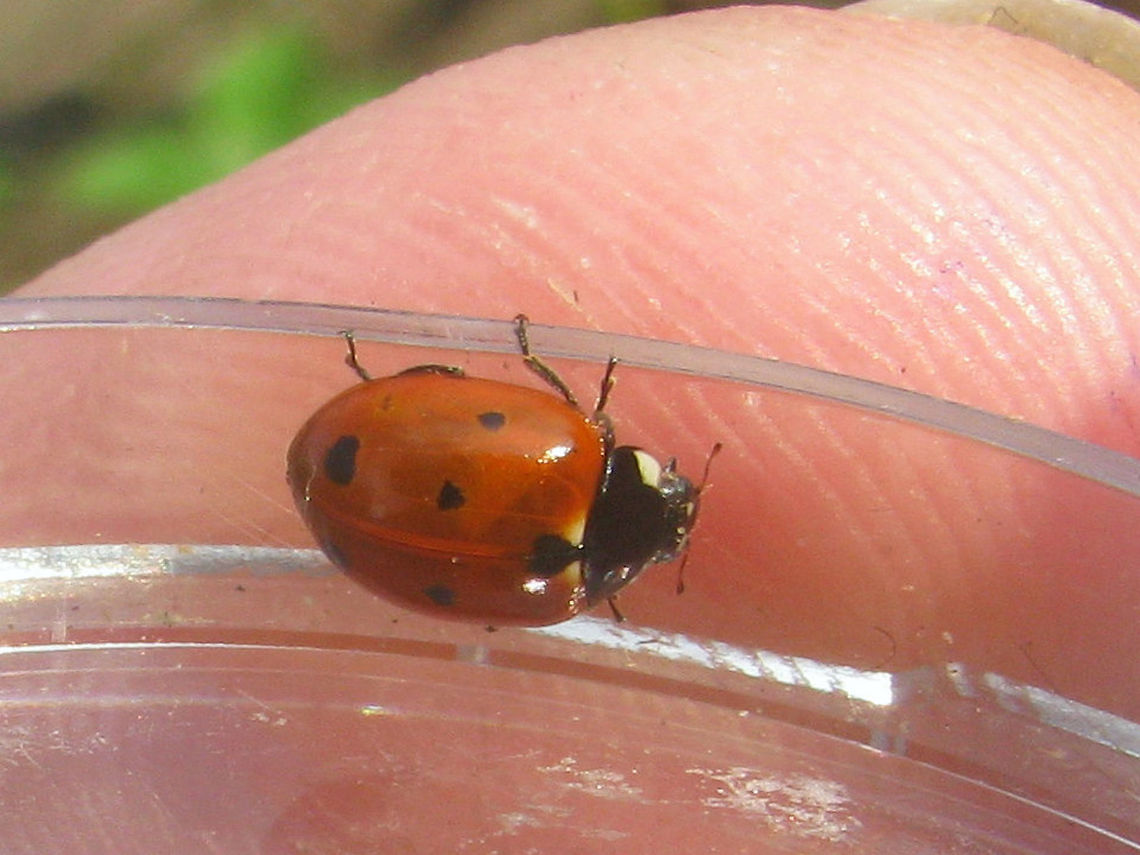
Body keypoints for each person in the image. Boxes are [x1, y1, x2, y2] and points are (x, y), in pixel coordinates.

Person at [10, 5, 1140, 718]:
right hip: (357, 490)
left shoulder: (562, 449)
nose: (671, 487)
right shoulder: (544, 581)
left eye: (666, 488)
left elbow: (478, 419)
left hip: (358, 463)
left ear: (640, 479)